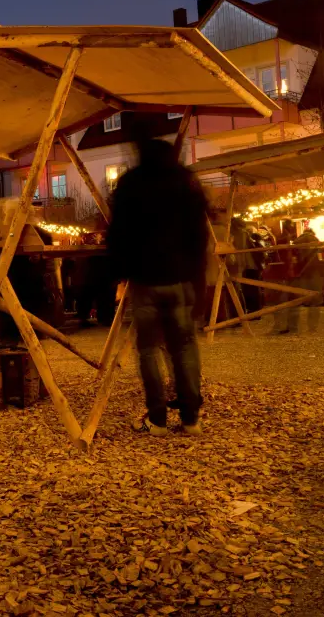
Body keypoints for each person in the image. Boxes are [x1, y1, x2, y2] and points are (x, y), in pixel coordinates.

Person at [105, 133, 209, 436]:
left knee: (149, 349)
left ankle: (158, 419)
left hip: (145, 278)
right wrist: (198, 277)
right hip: (181, 278)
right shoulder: (186, 182)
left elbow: (118, 234)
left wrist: (120, 273)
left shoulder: (131, 183)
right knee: (184, 348)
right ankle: (191, 418)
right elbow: (199, 235)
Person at [281, 226, 324, 334]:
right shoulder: (314, 239)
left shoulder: (297, 240)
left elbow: (291, 254)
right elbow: (322, 250)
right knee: (314, 302)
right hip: (313, 272)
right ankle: (312, 328)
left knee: (295, 301)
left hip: (300, 271)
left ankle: (292, 327)